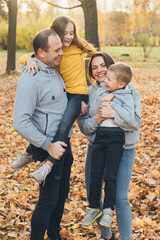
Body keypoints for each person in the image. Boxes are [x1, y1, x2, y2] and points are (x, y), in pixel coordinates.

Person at [11, 15, 97, 184]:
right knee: (57, 123)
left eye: (72, 33)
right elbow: (30, 56)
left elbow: (98, 56)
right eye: (65, 33)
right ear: (57, 33)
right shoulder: (55, 50)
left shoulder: (78, 47)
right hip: (65, 93)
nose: (68, 37)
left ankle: (48, 165)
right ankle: (29, 153)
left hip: (78, 95)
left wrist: (104, 76)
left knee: (64, 126)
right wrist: (28, 59)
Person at [13, 28, 74, 240]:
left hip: (65, 144)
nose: (61, 53)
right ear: (41, 53)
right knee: (48, 200)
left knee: (61, 195)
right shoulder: (31, 78)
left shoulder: (53, 68)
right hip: (46, 148)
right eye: (56, 50)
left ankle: (54, 236)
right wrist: (48, 145)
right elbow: (20, 121)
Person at [77, 52, 141, 240]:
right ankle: (107, 236)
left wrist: (113, 113)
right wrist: (98, 117)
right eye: (94, 67)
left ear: (111, 66)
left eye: (102, 65)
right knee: (93, 194)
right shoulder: (90, 92)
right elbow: (85, 127)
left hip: (124, 148)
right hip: (96, 147)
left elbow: (135, 123)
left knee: (120, 197)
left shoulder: (130, 91)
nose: (99, 71)